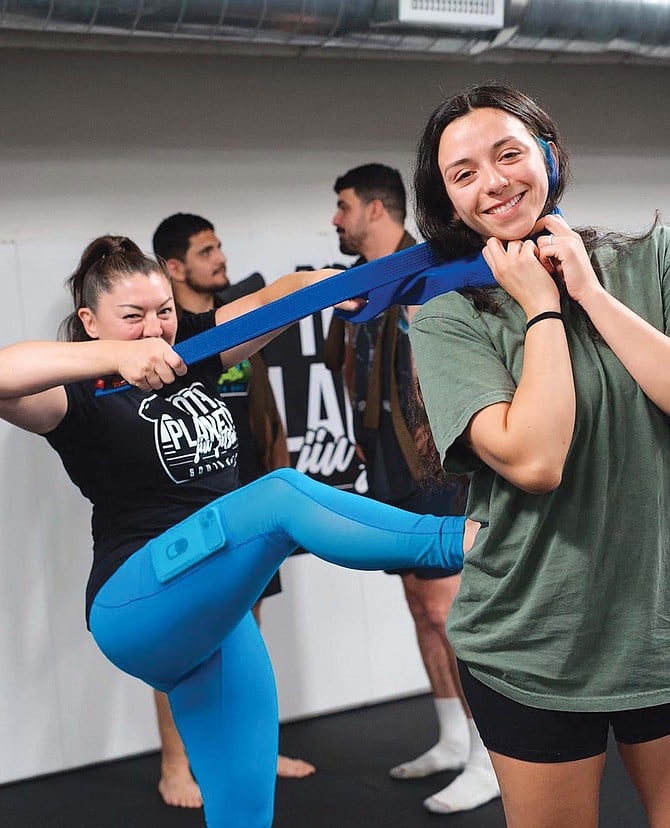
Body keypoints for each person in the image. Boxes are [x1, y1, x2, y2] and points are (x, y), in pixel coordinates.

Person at [0, 235, 471, 828]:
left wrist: (330, 285)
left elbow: (276, 300)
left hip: (214, 623)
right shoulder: (74, 397)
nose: (155, 329)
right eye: (133, 317)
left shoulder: (189, 354)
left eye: (164, 311)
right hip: (137, 599)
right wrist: (112, 359)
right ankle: (471, 542)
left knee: (243, 811)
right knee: (279, 498)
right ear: (91, 322)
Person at [408, 81, 670, 828]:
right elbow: (534, 460)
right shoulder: (448, 319)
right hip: (533, 645)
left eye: (508, 154)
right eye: (464, 174)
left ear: (547, 156)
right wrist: (542, 306)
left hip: (660, 628)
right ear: (448, 201)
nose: (493, 182)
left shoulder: (650, 260)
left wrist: (587, 290)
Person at [325, 163, 500, 813]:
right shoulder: (356, 289)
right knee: (421, 610)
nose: (336, 220)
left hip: (441, 468)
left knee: (454, 614)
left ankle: (492, 756)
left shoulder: (429, 274)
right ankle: (454, 736)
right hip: (391, 469)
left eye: (343, 206)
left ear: (376, 209)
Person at [150, 213, 314, 807]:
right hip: (186, 506)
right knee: (178, 637)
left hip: (245, 496)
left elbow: (263, 412)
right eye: (205, 250)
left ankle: (257, 751)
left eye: (220, 245)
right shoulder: (164, 346)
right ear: (174, 268)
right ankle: (175, 767)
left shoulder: (232, 324)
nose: (220, 257)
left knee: (248, 626)